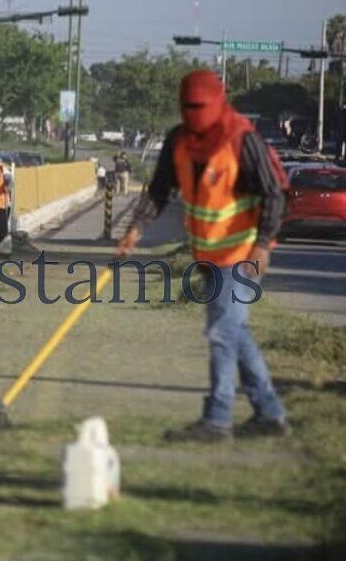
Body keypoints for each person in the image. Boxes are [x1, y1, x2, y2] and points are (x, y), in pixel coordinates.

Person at [118, 69, 289, 443]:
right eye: (187, 107)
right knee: (235, 332)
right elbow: (160, 188)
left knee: (221, 333)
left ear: (218, 102)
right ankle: (270, 413)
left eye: (201, 106)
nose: (194, 113)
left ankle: (217, 420)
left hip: (242, 253)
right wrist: (135, 228)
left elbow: (274, 194)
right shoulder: (178, 141)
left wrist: (263, 245)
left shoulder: (240, 139)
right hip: (208, 254)